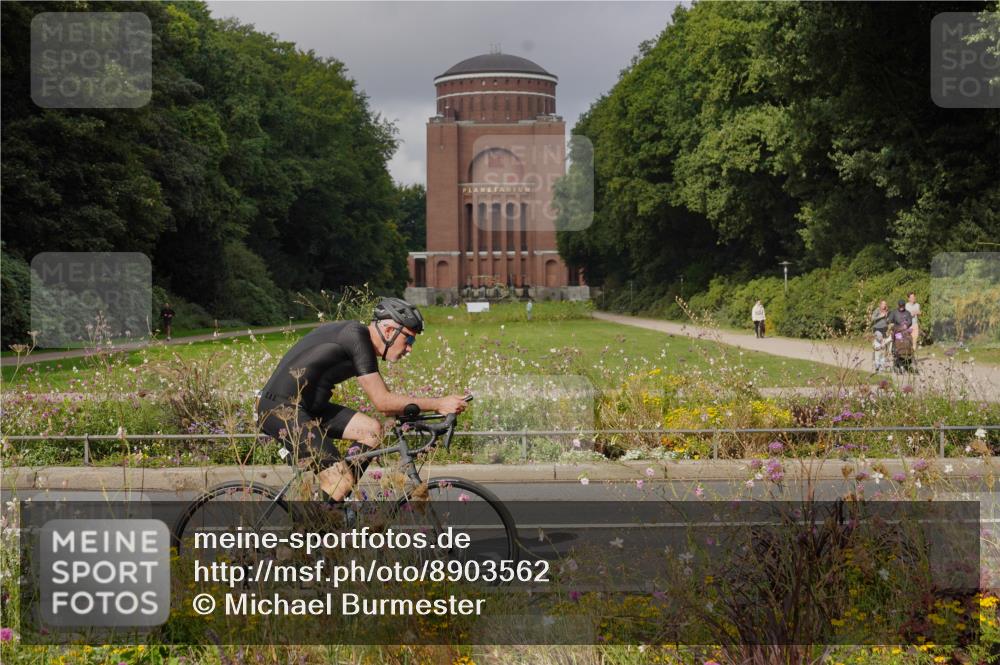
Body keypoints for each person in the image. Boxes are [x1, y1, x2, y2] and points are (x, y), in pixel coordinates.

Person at [257, 297, 468, 502]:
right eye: (409, 339)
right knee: (340, 481)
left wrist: (421, 414)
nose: (410, 348)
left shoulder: (358, 338)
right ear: (389, 331)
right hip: (280, 409)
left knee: (371, 431)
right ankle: (316, 521)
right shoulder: (356, 337)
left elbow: (389, 406)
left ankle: (332, 504)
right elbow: (383, 403)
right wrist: (439, 404)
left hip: (309, 408)